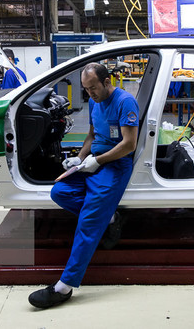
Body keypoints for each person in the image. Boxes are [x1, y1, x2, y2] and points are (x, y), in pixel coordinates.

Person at [28, 62, 139, 309]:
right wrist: (79, 158)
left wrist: (97, 161)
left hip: (114, 165)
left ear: (107, 81)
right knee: (60, 191)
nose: (90, 94)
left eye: (93, 88)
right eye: (86, 90)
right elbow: (91, 135)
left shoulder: (125, 102)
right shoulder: (94, 103)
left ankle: (64, 287)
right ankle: (109, 219)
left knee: (87, 223)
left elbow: (129, 144)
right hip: (91, 162)